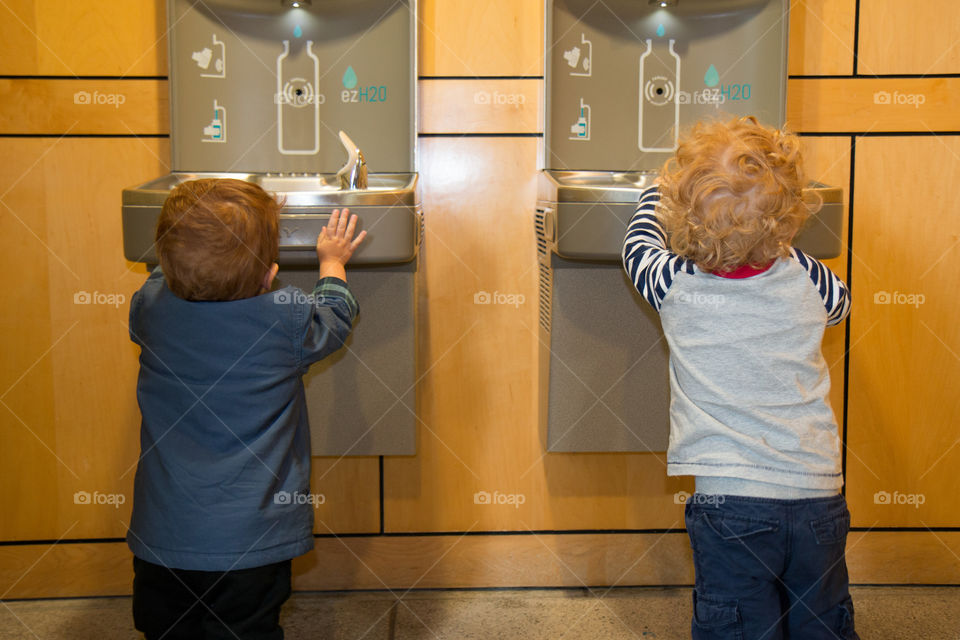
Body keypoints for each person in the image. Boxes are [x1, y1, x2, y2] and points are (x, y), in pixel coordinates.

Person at [622, 117, 857, 639]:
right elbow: (842, 305)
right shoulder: (807, 275)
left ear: (685, 217)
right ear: (788, 221)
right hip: (818, 494)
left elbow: (635, 249)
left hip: (731, 503)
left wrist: (650, 193)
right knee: (821, 619)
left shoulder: (676, 283)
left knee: (739, 623)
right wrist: (787, 255)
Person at [126, 178, 366, 639]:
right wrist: (332, 263)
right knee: (245, 630)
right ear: (269, 274)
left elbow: (165, 275)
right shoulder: (287, 317)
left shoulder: (150, 311)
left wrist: (181, 246)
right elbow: (335, 317)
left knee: (167, 629)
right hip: (252, 541)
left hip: (164, 538)